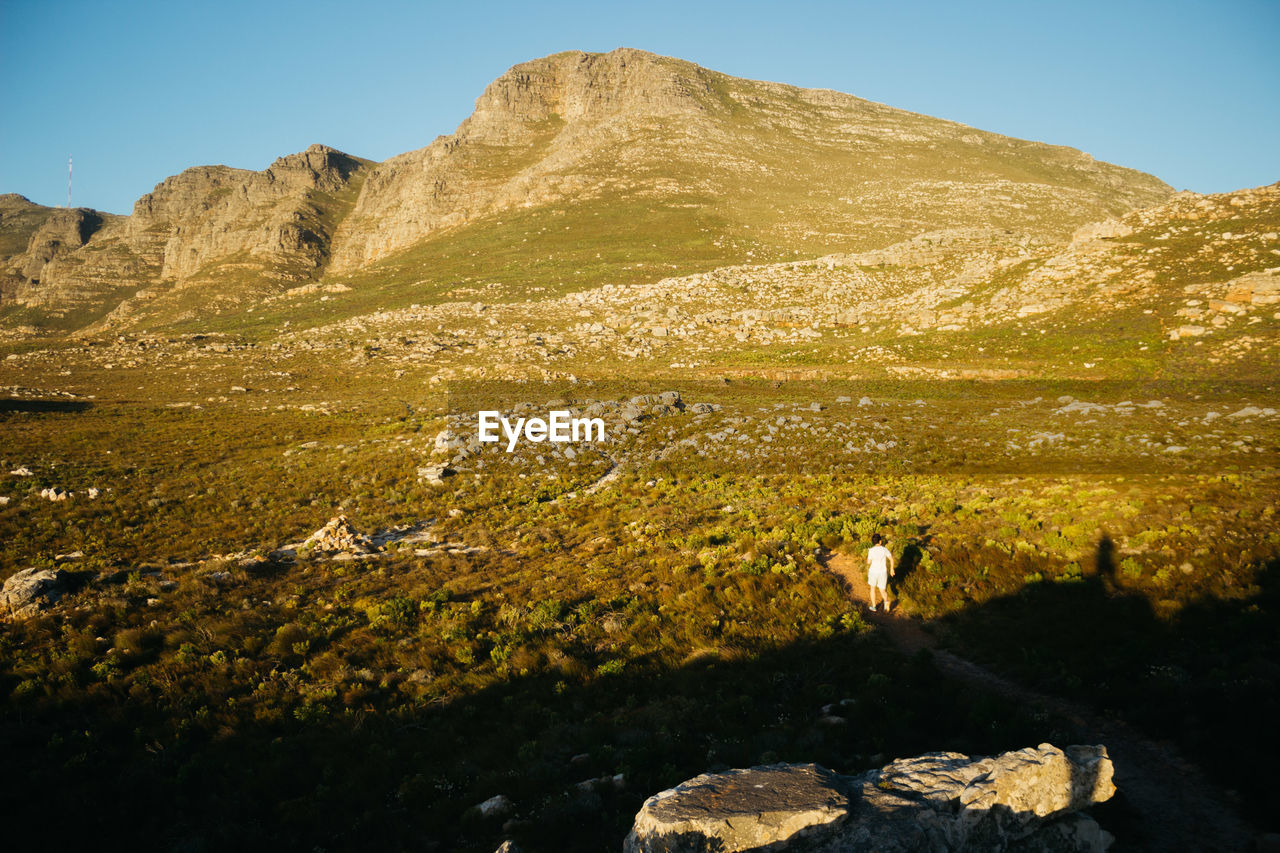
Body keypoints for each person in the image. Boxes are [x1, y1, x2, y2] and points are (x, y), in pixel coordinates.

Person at [866, 533, 895, 612]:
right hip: (883, 572)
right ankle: (886, 603)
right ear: (880, 541)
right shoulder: (885, 549)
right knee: (882, 589)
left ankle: (874, 606)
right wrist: (892, 569)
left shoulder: (871, 550)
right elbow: (891, 559)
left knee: (872, 588)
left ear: (873, 542)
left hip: (873, 572)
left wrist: (868, 558)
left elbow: (868, 562)